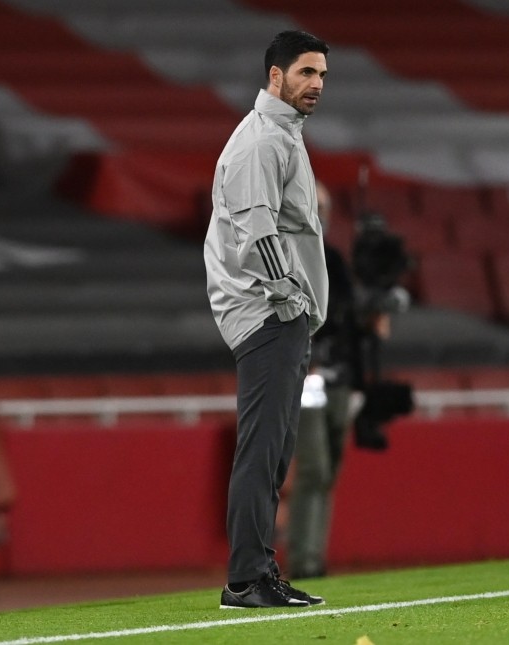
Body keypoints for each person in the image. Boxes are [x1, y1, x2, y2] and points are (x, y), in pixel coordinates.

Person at [204, 30, 330, 610]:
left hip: (276, 315)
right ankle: (246, 579)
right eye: (306, 72)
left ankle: (258, 573)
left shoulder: (280, 135)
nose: (317, 85)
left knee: (275, 450)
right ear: (275, 77)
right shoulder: (261, 142)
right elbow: (258, 232)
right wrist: (291, 300)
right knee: (263, 450)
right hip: (268, 314)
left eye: (323, 75)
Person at [287, 182, 398, 580]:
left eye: (326, 207)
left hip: (339, 379)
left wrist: (373, 323)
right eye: (315, 205)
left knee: (329, 470)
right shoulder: (289, 256)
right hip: (308, 377)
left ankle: (314, 554)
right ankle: (304, 560)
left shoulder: (334, 260)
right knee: (315, 468)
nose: (321, 213)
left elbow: (349, 322)